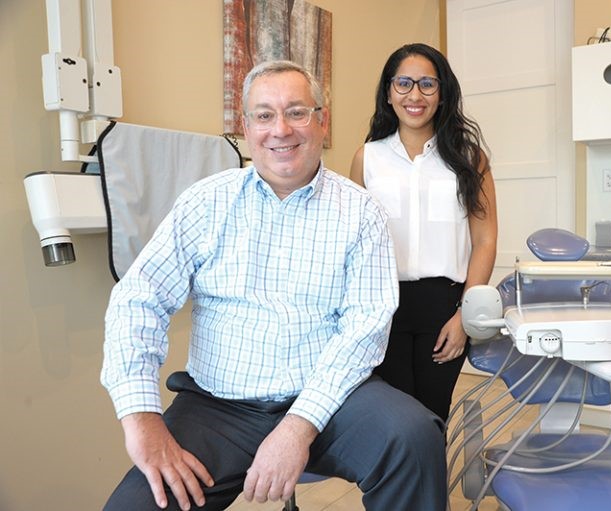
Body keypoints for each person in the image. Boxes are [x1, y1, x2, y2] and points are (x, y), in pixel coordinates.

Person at [100, 60, 447, 511]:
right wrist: (142, 422)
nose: (280, 129)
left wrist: (298, 425)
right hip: (219, 408)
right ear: (246, 127)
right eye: (264, 115)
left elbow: (366, 326)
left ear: (322, 121)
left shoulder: (362, 214)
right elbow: (137, 301)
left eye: (297, 112)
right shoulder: (205, 203)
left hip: (333, 400)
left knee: (414, 438)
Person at [350, 43, 498, 423]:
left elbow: (484, 239)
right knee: (393, 423)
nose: (415, 95)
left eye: (427, 84)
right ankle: (394, 486)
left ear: (442, 92)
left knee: (433, 417)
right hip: (384, 307)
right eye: (403, 83)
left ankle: (432, 485)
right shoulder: (368, 158)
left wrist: (465, 315)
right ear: (388, 91)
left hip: (444, 309)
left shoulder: (469, 158)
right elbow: (353, 243)